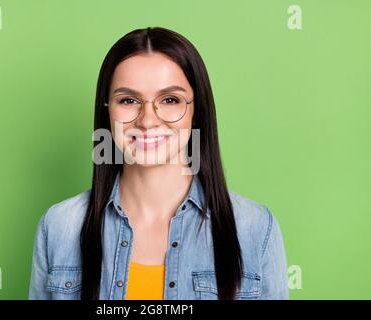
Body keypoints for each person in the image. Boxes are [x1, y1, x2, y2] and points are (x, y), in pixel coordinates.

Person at [28, 27, 289, 300]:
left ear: (196, 112)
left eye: (170, 100)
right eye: (128, 100)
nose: (148, 120)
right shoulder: (59, 226)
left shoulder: (255, 227)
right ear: (107, 111)